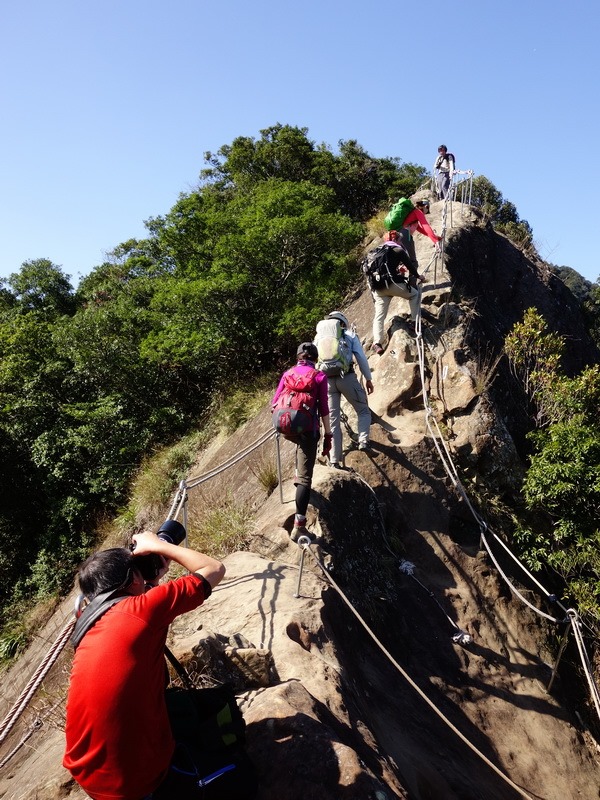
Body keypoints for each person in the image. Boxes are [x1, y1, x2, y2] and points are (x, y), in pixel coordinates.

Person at [63, 531, 226, 800]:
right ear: (135, 578)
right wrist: (159, 546)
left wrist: (151, 578)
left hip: (91, 777)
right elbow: (214, 568)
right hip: (135, 782)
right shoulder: (141, 611)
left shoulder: (90, 628)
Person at [271, 342, 332, 541]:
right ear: (315, 358)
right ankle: (300, 525)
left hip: (285, 426)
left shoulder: (288, 373)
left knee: (300, 448)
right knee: (305, 479)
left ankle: (299, 469)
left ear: (298, 357)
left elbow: (274, 403)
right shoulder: (319, 376)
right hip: (307, 429)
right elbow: (323, 408)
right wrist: (328, 434)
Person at [316, 311, 373, 467]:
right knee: (362, 410)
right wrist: (368, 379)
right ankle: (363, 441)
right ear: (343, 322)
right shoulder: (349, 335)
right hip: (346, 377)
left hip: (326, 382)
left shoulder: (319, 337)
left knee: (332, 421)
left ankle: (334, 460)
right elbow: (360, 357)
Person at [371, 231, 423, 354]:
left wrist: (396, 269)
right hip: (393, 284)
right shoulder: (397, 250)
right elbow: (410, 266)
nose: (401, 242)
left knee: (379, 316)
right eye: (400, 240)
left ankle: (377, 343)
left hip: (378, 288)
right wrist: (419, 277)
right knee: (414, 295)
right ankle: (415, 324)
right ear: (396, 240)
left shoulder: (377, 251)